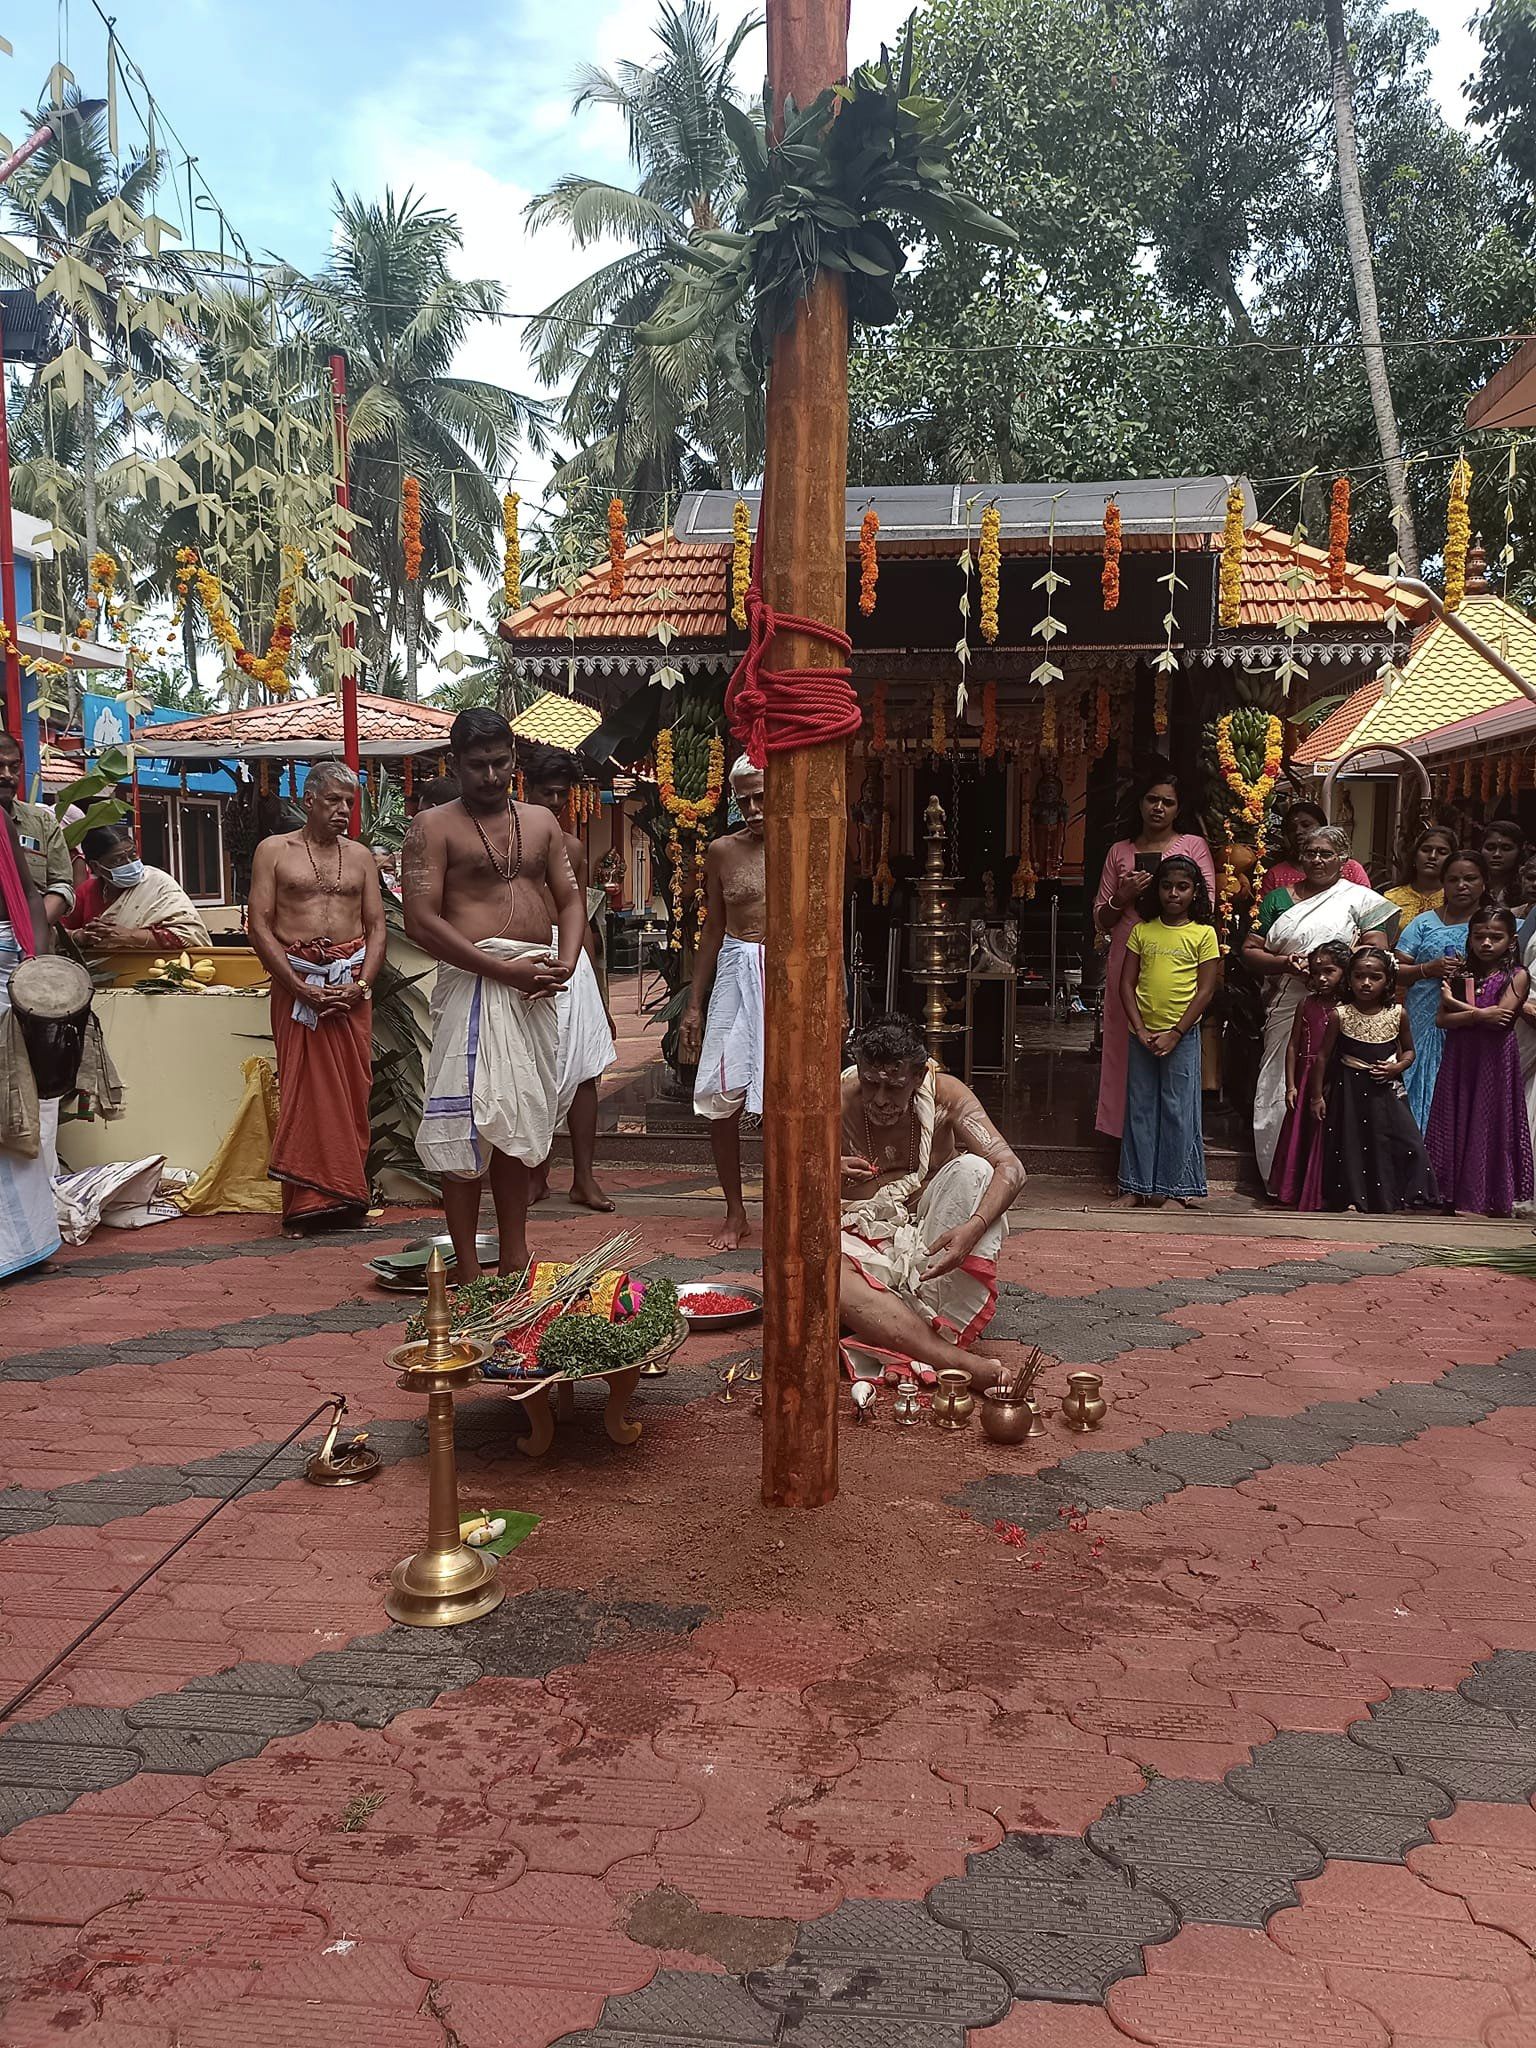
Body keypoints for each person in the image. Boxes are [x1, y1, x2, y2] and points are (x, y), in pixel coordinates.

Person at [402, 707, 583, 1281]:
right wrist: (503, 972)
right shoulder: (432, 827)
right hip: (478, 987)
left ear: (514, 759)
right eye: (477, 765)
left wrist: (569, 959)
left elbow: (571, 899)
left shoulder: (542, 823)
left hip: (536, 984)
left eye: (501, 762)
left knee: (517, 1122)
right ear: (455, 764)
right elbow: (420, 922)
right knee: (468, 1125)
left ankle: (513, 1254)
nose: (490, 775)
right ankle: (465, 1267)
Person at [839, 1012, 1024, 1390]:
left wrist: (971, 1230)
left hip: (926, 1245)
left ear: (920, 1077)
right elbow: (783, 1174)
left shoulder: (947, 1097)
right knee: (820, 1268)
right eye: (871, 1083)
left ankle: (895, 1328)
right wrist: (826, 1166)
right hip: (856, 1241)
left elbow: (1012, 1168)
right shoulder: (836, 1099)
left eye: (894, 1087)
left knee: (975, 1170)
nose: (879, 1098)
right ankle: (950, 1358)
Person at [246, 762, 385, 1232]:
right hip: (297, 984)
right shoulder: (273, 851)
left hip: (350, 988)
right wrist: (296, 984)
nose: (343, 810)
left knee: (352, 1089)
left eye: (350, 802)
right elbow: (259, 925)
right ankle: (306, 1203)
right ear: (308, 801)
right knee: (304, 1089)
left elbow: (376, 927)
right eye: (333, 801)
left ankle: (347, 1197)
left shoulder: (361, 856)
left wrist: (361, 984)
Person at [1243, 825, 1397, 1181]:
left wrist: (1330, 968)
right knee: (1280, 1082)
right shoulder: (1278, 899)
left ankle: (1333, 1179)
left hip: (1344, 1007)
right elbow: (1250, 951)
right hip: (1290, 1003)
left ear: (1343, 859)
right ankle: (1282, 1174)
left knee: (1337, 1087)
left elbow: (1376, 949)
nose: (1317, 860)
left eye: (1326, 853)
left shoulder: (1358, 898)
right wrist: (1286, 963)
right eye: (1310, 852)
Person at [1091, 764, 1215, 1143]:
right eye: (1152, 799)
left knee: (1173, 1048)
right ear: (1140, 803)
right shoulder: (1119, 851)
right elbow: (1101, 918)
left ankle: (1170, 1140)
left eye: (1168, 802)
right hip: (1128, 955)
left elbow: (1206, 904)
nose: (1158, 808)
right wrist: (1122, 897)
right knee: (1122, 1046)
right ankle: (1125, 1138)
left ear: (1179, 808)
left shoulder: (1193, 846)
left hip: (1178, 957)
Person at [519, 742, 617, 1214]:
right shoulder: (508, 842)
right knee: (531, 1070)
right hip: (523, 960)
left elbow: (584, 918)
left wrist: (599, 993)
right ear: (528, 790)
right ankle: (534, 1175)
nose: (555, 803)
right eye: (547, 793)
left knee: (585, 1074)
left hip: (571, 963)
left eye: (562, 795)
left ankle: (583, 1178)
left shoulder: (574, 848)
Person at [680, 756, 765, 1251]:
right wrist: (695, 1003)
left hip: (787, 975)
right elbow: (712, 928)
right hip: (735, 972)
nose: (753, 809)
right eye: (743, 800)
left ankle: (786, 1203)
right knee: (720, 1096)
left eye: (761, 797)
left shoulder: (802, 842)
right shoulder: (721, 851)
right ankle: (735, 1211)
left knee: (787, 1098)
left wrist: (835, 992)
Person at [1117, 856, 1221, 1208]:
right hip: (1141, 1035)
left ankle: (1175, 1188)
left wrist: (1176, 1032)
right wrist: (1140, 1028)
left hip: (1181, 1036)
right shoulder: (1142, 931)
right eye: (1166, 886)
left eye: (1182, 887)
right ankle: (1135, 1185)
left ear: (1195, 892)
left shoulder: (1204, 934)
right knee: (1140, 1108)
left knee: (1178, 1109)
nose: (1173, 894)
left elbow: (1205, 990)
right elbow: (1126, 984)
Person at [1311, 944, 1438, 1213]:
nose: (1366, 984)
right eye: (1359, 976)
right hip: (1350, 1091)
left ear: (1388, 980)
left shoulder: (1397, 1013)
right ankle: (1354, 1199)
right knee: (1354, 1143)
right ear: (1349, 979)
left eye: (1375, 978)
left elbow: (1410, 1051)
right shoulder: (1340, 1014)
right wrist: (1317, 1096)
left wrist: (1397, 1068)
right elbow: (1323, 1056)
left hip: (1386, 1089)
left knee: (1405, 1140)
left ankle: (1400, 1195)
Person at [1427, 906, 1534, 1217]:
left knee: (1487, 1120)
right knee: (1456, 1114)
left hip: (1494, 1058)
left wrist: (1457, 1006)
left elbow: (1501, 1019)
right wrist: (1476, 1013)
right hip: (1461, 1054)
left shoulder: (1517, 975)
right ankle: (1449, 1192)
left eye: (1495, 937)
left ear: (1511, 941)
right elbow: (1442, 1021)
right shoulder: (1462, 975)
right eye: (1480, 937)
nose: (1486, 943)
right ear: (1470, 938)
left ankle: (1484, 1196)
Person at [0, 801, 61, 1278]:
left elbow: (30, 893)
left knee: (14, 1094)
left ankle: (23, 1245)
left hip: (8, 965)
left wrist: (36, 968)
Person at [1394, 851, 1488, 1129]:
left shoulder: (1496, 926)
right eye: (1453, 879)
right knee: (1419, 1086)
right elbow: (1393, 970)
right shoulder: (1424, 923)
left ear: (1484, 882)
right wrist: (1427, 969)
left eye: (1470, 879)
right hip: (1423, 1019)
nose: (1462, 886)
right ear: (1443, 884)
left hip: (1474, 1023)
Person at [1269, 939, 1352, 1210]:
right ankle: (1293, 1190)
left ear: (1344, 971)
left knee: (1327, 1132)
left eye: (1330, 971)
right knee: (1299, 1132)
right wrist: (1290, 1085)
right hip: (1305, 1076)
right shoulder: (1306, 1004)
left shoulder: (1348, 1007)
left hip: (1332, 1077)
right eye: (1317, 972)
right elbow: (1293, 1044)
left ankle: (1323, 1192)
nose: (1322, 978)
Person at [69, 821, 210, 950]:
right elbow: (57, 933)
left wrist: (129, 936)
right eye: (118, 860)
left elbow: (188, 935)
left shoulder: (158, 884)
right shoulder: (86, 891)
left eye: (133, 854)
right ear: (96, 867)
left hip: (156, 969)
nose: (129, 863)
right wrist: (80, 936)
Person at [0, 730, 73, 925]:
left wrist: (31, 930)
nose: (7, 775)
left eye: (14, 767)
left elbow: (61, 886)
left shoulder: (42, 822)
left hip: (34, 940)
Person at [1265, 799, 1372, 897]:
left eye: (1306, 825)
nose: (1298, 832)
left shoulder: (1351, 869)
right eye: (1292, 828)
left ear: (1322, 827)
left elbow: (1367, 908)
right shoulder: (1276, 874)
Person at [1382, 824, 1456, 926]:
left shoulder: (1456, 898)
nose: (1432, 856)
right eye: (1426, 850)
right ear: (1414, 856)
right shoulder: (1391, 898)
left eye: (1442, 852)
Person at [1479, 818, 1527, 907]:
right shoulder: (1471, 885)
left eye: (1506, 848)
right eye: (1490, 848)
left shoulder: (1528, 887)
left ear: (1519, 852)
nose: (1497, 854)